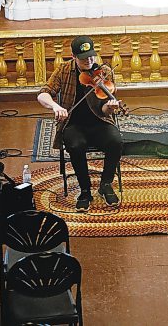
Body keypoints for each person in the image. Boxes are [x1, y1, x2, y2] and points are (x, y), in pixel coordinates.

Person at [37, 35, 123, 212]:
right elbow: (43, 94)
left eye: (92, 56)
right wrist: (55, 106)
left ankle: (106, 184)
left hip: (100, 121)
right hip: (74, 124)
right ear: (73, 56)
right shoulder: (63, 70)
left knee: (116, 141)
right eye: (84, 58)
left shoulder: (104, 71)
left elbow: (105, 111)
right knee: (75, 146)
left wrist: (110, 106)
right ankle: (85, 190)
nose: (89, 61)